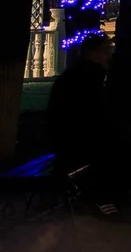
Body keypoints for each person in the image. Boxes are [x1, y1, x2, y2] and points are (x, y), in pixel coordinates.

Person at [48, 34, 121, 217]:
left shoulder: (88, 73)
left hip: (76, 133)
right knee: (112, 150)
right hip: (74, 137)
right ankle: (98, 197)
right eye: (106, 49)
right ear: (92, 53)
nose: (109, 54)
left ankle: (104, 195)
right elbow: (90, 112)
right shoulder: (85, 76)